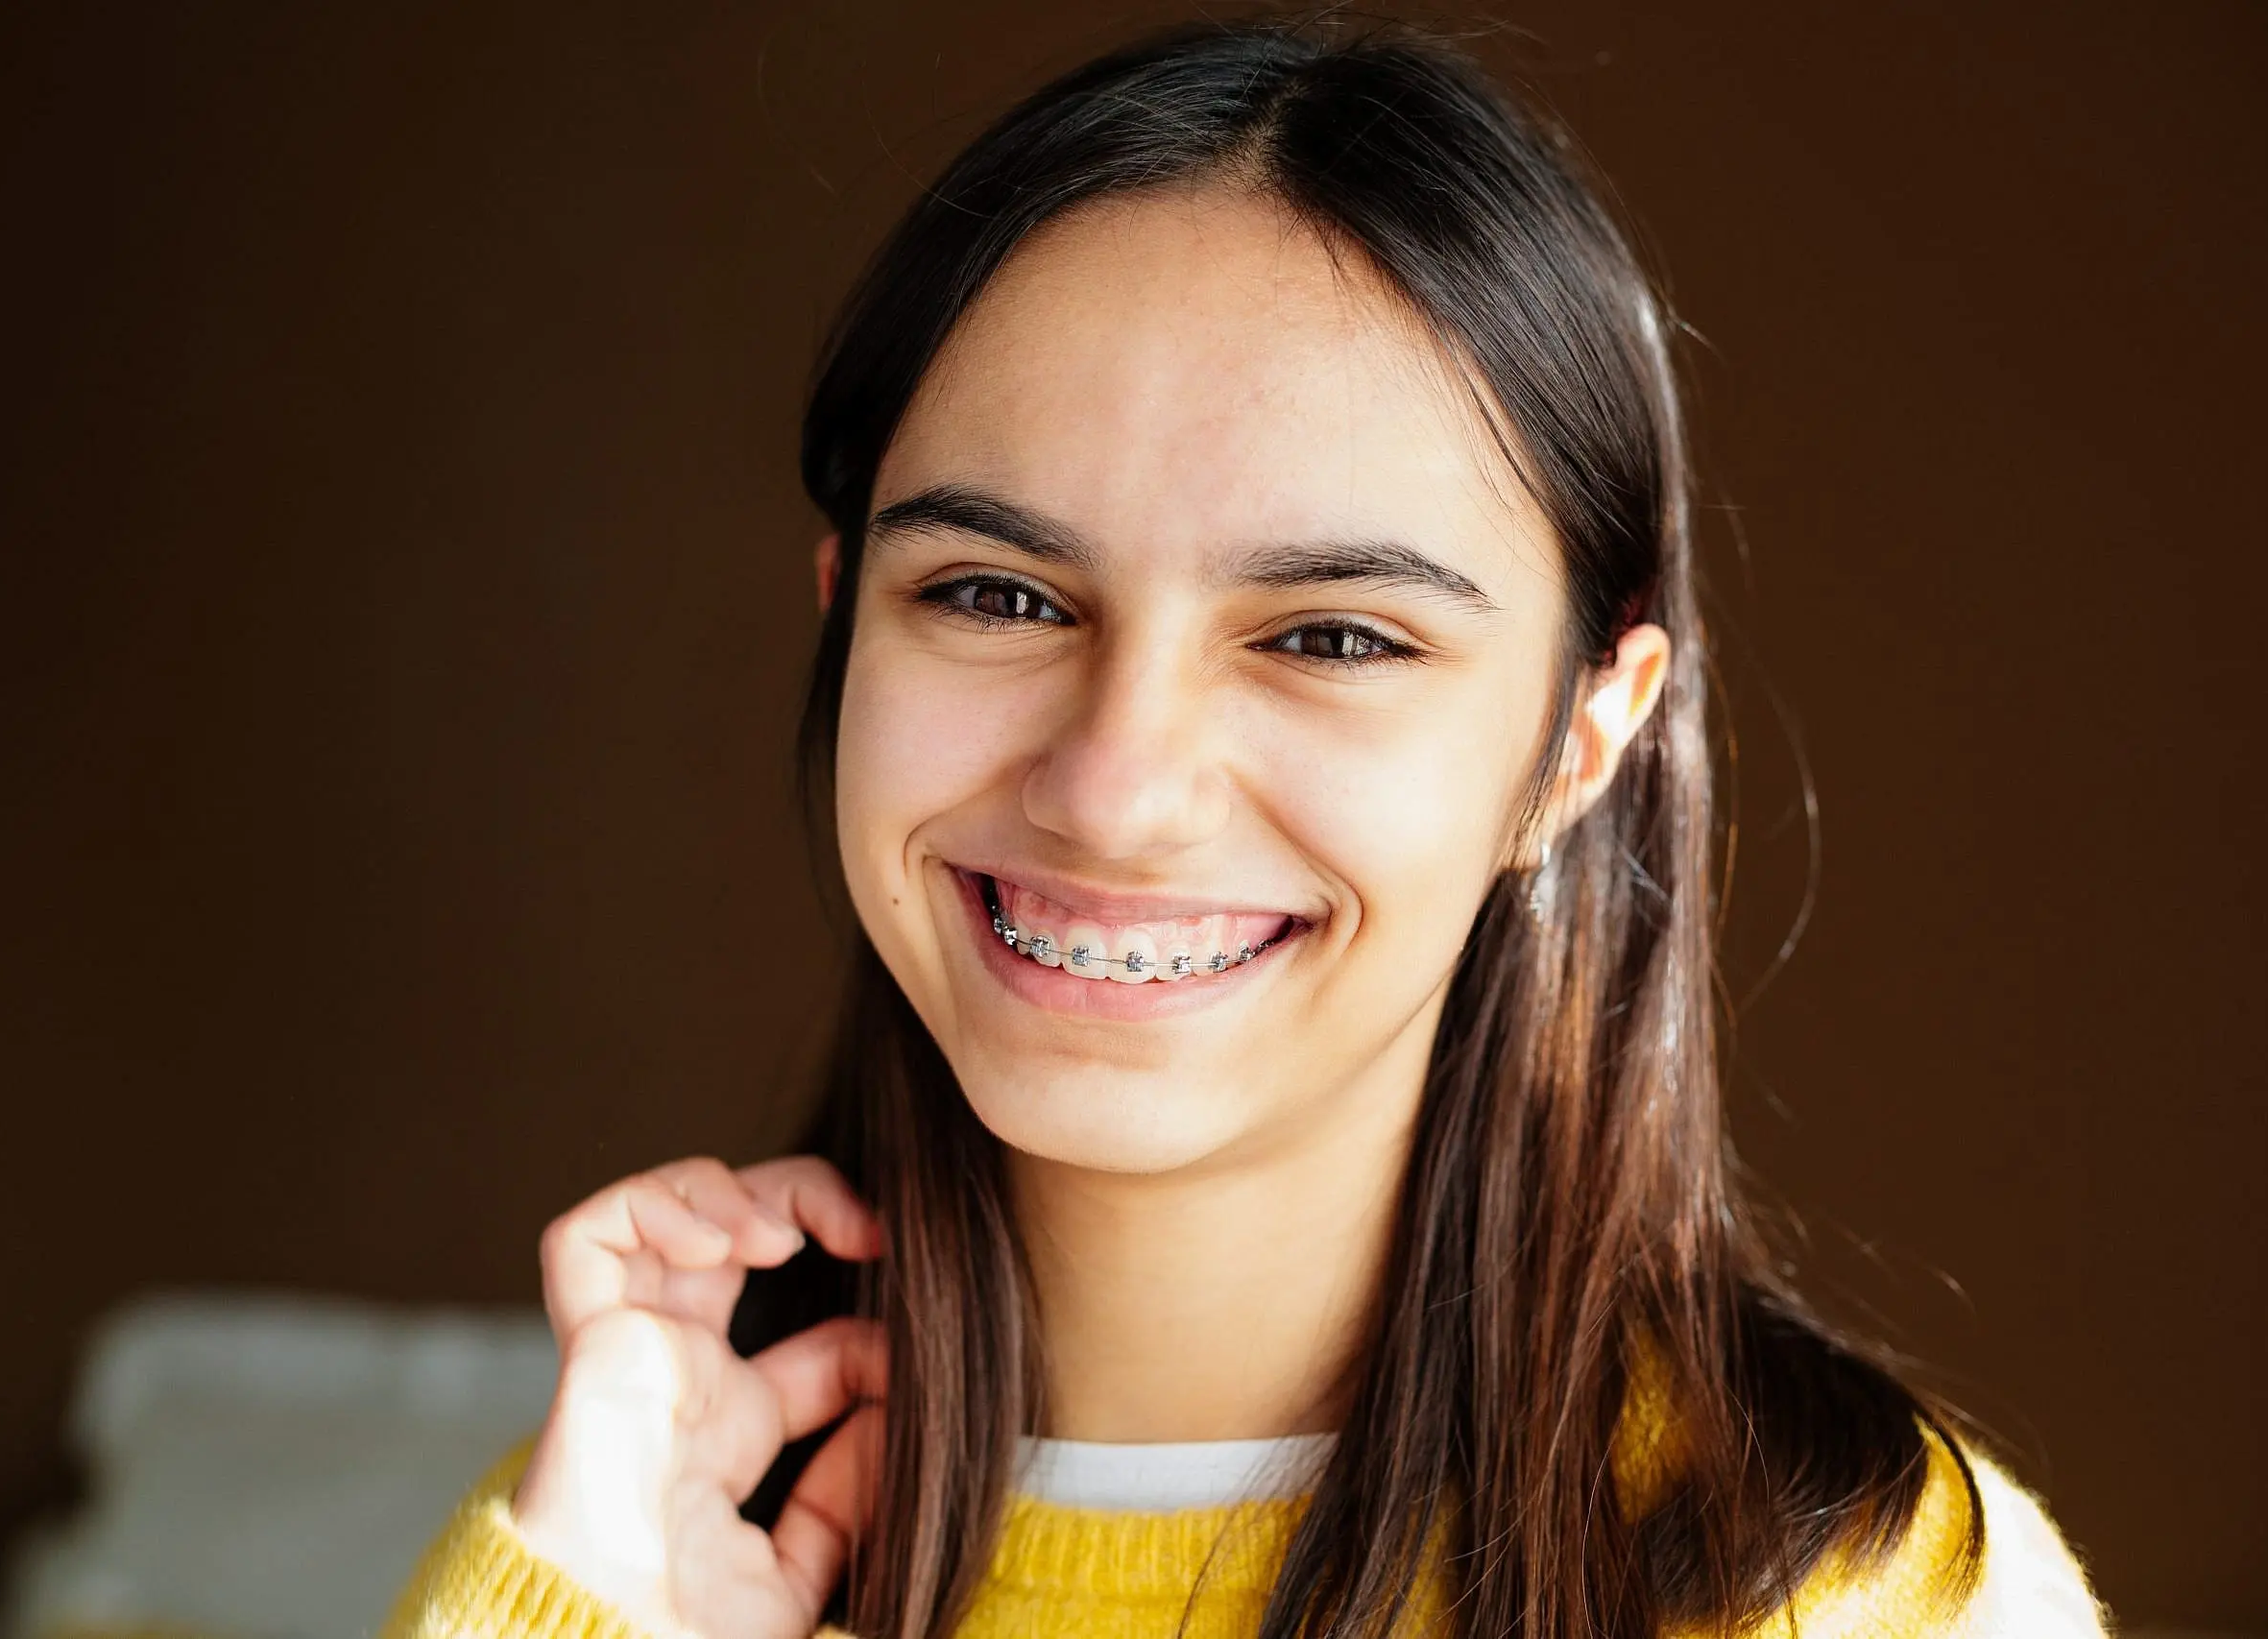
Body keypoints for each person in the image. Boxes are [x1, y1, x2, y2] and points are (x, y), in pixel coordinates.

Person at [383, 18, 2107, 1639]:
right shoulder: (625, 1548)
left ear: (1583, 731)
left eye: (1335, 636)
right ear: (845, 626)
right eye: (994, 592)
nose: (1117, 786)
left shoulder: (1852, 1589)